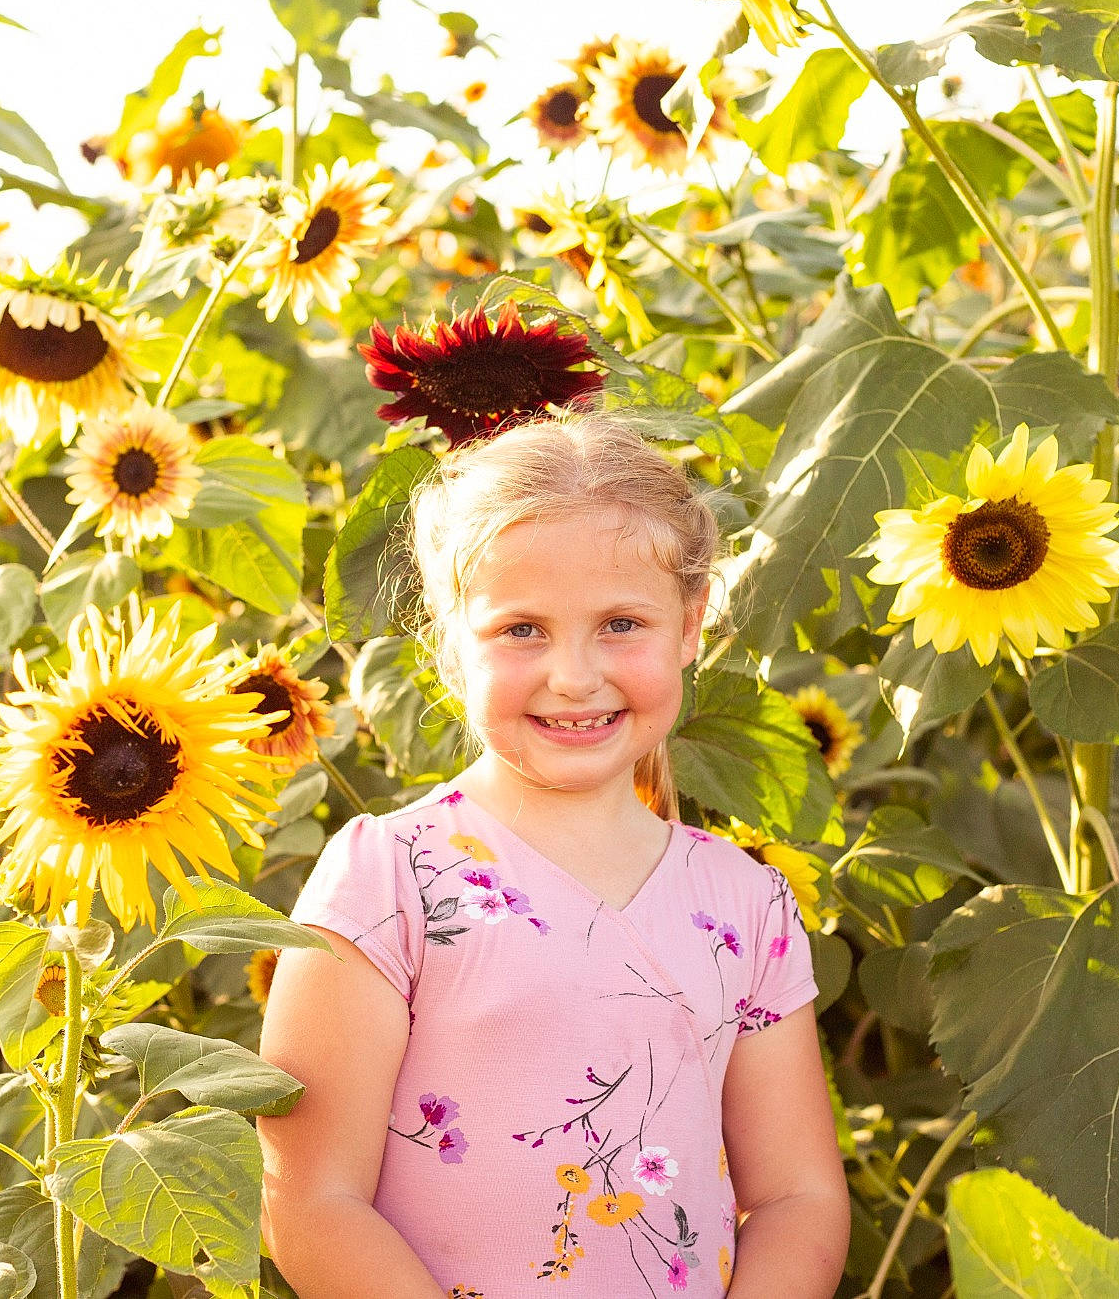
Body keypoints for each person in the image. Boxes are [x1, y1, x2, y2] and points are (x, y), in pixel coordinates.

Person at [258, 410, 850, 1297]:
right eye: (521, 629)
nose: (574, 675)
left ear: (691, 626)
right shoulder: (389, 880)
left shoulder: (746, 903)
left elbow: (798, 1194)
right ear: (451, 639)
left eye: (621, 623)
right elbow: (310, 1202)